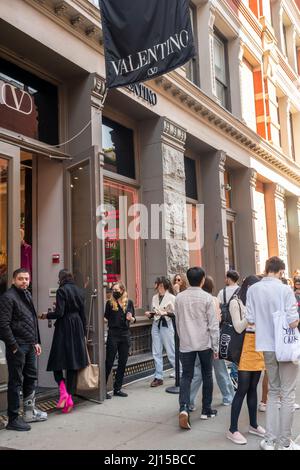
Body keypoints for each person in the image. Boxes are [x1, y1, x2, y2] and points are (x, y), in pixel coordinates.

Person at [246, 256, 300, 450]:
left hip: (266, 345)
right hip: (286, 347)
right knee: (288, 394)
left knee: (273, 392)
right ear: (280, 271)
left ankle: (269, 440)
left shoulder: (253, 289)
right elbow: (293, 322)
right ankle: (285, 442)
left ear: (267, 269)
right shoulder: (285, 290)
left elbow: (250, 319)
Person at [0, 268, 47, 431]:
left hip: (30, 345)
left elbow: (32, 320)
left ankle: (29, 413)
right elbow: (3, 326)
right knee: (15, 381)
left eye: (27, 279)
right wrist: (14, 347)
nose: (25, 282)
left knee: (31, 376)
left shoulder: (27, 295)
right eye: (21, 279)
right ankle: (13, 418)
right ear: (13, 280)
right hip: (17, 346)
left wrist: (36, 341)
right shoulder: (8, 297)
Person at [175, 267, 219, 430]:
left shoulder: (179, 298)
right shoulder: (207, 298)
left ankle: (184, 407)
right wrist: (215, 346)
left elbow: (178, 322)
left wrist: (182, 338)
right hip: (204, 342)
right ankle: (206, 409)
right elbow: (213, 325)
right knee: (207, 375)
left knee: (186, 376)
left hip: (186, 343)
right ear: (202, 280)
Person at [41, 269, 88, 413]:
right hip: (77, 326)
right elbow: (83, 314)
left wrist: (46, 315)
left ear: (61, 278)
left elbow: (60, 313)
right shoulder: (79, 291)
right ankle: (69, 397)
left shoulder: (61, 291)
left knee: (57, 361)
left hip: (64, 327)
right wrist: (83, 333)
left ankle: (64, 393)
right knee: (72, 363)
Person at [226, 275, 265, 445]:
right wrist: (251, 314)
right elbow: (238, 327)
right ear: (248, 287)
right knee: (241, 389)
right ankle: (232, 429)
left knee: (253, 388)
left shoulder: (255, 302)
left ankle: (253, 425)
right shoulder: (236, 302)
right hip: (244, 349)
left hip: (257, 346)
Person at [189, 276, 234, 411]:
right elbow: (216, 321)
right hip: (212, 339)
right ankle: (228, 397)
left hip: (195, 340)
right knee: (220, 370)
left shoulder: (192, 299)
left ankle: (189, 401)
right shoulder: (213, 300)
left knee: (196, 372)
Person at [105, 281, 136, 397]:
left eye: (116, 290)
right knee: (109, 361)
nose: (114, 292)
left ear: (122, 290)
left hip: (125, 334)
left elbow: (134, 319)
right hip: (113, 334)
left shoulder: (129, 303)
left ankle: (117, 389)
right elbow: (106, 317)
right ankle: (102, 390)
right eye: (113, 290)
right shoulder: (109, 303)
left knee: (122, 362)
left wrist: (131, 318)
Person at [145, 277, 176, 387]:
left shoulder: (172, 297)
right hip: (156, 324)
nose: (159, 288)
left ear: (166, 286)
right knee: (156, 351)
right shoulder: (154, 297)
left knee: (171, 351)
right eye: (159, 285)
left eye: (162, 285)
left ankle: (181, 373)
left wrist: (166, 313)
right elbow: (155, 311)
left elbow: (176, 314)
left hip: (166, 325)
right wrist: (150, 314)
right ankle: (158, 377)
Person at [217, 270, 240, 391]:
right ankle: (235, 375)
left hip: (225, 324)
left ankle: (231, 375)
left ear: (228, 278)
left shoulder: (222, 292)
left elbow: (218, 308)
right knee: (237, 350)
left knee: (225, 349)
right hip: (238, 325)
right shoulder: (241, 291)